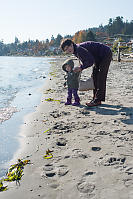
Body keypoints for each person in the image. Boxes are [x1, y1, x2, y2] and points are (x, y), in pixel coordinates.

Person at [60, 39, 112, 107]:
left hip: (105, 53)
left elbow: (90, 61)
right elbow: (87, 60)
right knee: (94, 77)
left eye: (68, 47)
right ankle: (95, 98)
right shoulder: (76, 51)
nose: (68, 50)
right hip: (97, 57)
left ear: (72, 44)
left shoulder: (78, 49)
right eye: (65, 49)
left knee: (101, 77)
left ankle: (97, 100)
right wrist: (80, 67)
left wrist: (81, 67)